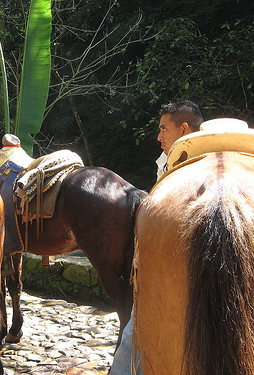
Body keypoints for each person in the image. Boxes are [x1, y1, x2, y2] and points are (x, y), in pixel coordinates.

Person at [109, 100, 203, 375]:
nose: (159, 136)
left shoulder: (176, 166)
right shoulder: (167, 161)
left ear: (184, 128)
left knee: (135, 336)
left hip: (164, 275)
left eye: (164, 129)